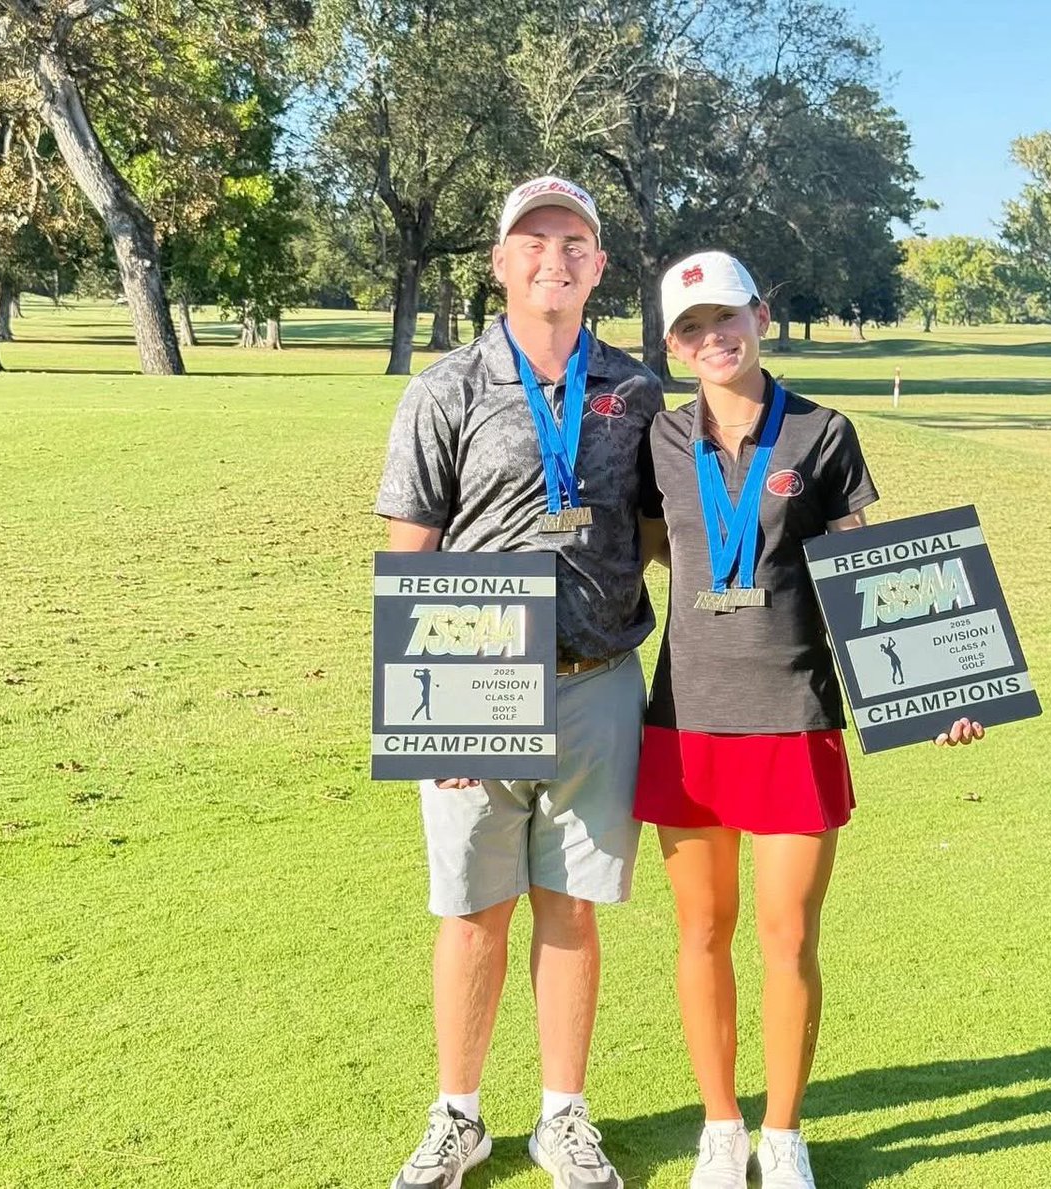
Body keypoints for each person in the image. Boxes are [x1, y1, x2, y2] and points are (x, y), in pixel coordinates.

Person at [634, 251, 983, 1189]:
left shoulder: (824, 433)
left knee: (788, 935)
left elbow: (866, 571)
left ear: (763, 313)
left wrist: (939, 686)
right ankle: (719, 1125)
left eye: (727, 317)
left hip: (794, 712)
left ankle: (782, 1133)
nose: (714, 339)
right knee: (701, 933)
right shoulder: (662, 441)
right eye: (691, 328)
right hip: (686, 718)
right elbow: (645, 552)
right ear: (672, 345)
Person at [374, 176, 664, 1189]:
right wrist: (434, 710)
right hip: (476, 688)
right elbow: (410, 555)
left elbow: (677, 535)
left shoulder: (635, 388)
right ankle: (459, 1115)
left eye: (574, 240)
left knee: (572, 907)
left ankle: (562, 1116)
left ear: (599, 265)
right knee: (471, 910)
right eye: (533, 240)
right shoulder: (445, 387)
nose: (555, 255)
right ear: (499, 262)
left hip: (598, 683)